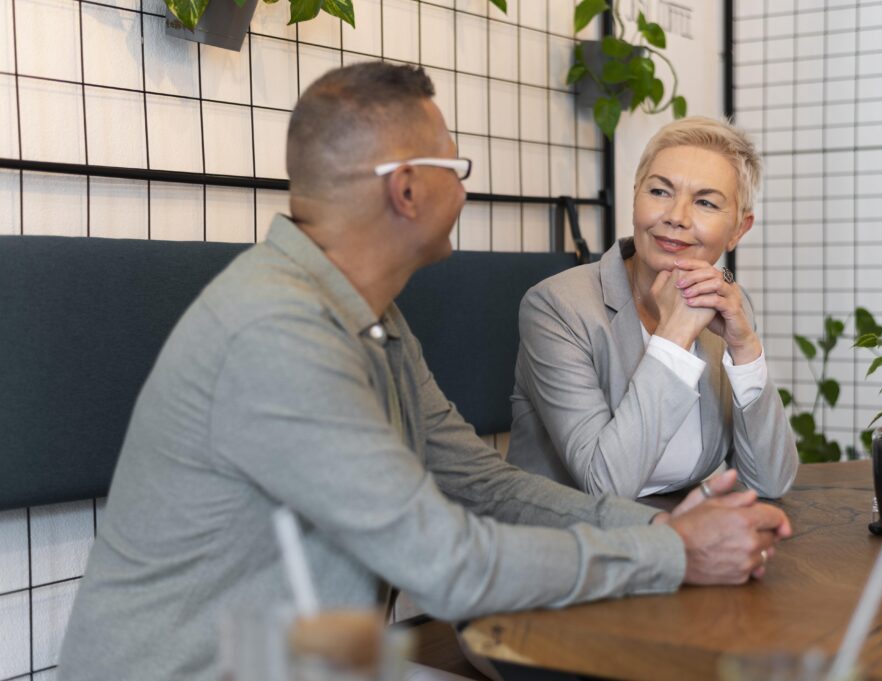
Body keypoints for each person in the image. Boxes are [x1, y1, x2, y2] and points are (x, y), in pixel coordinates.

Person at [58, 66, 792, 681]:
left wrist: (664, 525)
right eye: (455, 167)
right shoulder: (276, 333)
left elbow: (483, 482)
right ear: (407, 190)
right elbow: (446, 563)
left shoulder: (370, 316)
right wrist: (672, 549)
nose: (466, 189)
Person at [506, 117, 798, 500]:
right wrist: (675, 335)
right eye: (660, 192)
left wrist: (746, 350)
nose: (676, 216)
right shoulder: (558, 307)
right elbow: (604, 487)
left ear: (739, 229)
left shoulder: (730, 308)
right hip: (566, 541)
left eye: (705, 202)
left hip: (674, 532)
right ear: (635, 197)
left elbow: (771, 481)